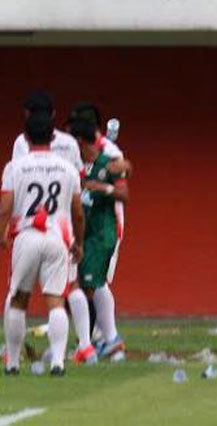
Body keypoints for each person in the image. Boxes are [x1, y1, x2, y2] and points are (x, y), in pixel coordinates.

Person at [0, 112, 84, 377]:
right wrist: (78, 242)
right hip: (57, 239)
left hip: (26, 237)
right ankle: (58, 362)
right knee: (56, 300)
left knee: (19, 299)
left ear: (26, 137)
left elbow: (4, 208)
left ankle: (13, 363)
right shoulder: (67, 168)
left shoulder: (15, 167)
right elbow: (77, 212)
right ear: (53, 137)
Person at [10, 91, 96, 365]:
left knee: (18, 294)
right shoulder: (70, 144)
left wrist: (2, 233)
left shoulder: (22, 144)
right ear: (55, 115)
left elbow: (14, 187)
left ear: (26, 117)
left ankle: (12, 355)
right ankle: (85, 346)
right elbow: (79, 182)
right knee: (68, 288)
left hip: (28, 225)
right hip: (64, 224)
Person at [71, 116, 130, 359]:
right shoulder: (80, 166)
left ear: (82, 141)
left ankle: (90, 344)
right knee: (95, 285)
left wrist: (102, 188)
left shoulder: (110, 162)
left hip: (102, 233)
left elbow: (124, 194)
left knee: (86, 287)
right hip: (87, 231)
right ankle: (110, 341)